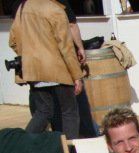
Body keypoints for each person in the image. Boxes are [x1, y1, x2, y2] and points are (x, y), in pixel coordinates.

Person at [8, 0, 83, 140]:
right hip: (57, 68)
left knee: (43, 111)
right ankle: (68, 150)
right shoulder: (55, 9)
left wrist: (29, 56)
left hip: (34, 70)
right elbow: (66, 47)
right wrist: (76, 75)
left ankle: (23, 143)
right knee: (69, 112)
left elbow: (13, 41)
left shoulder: (23, 8)